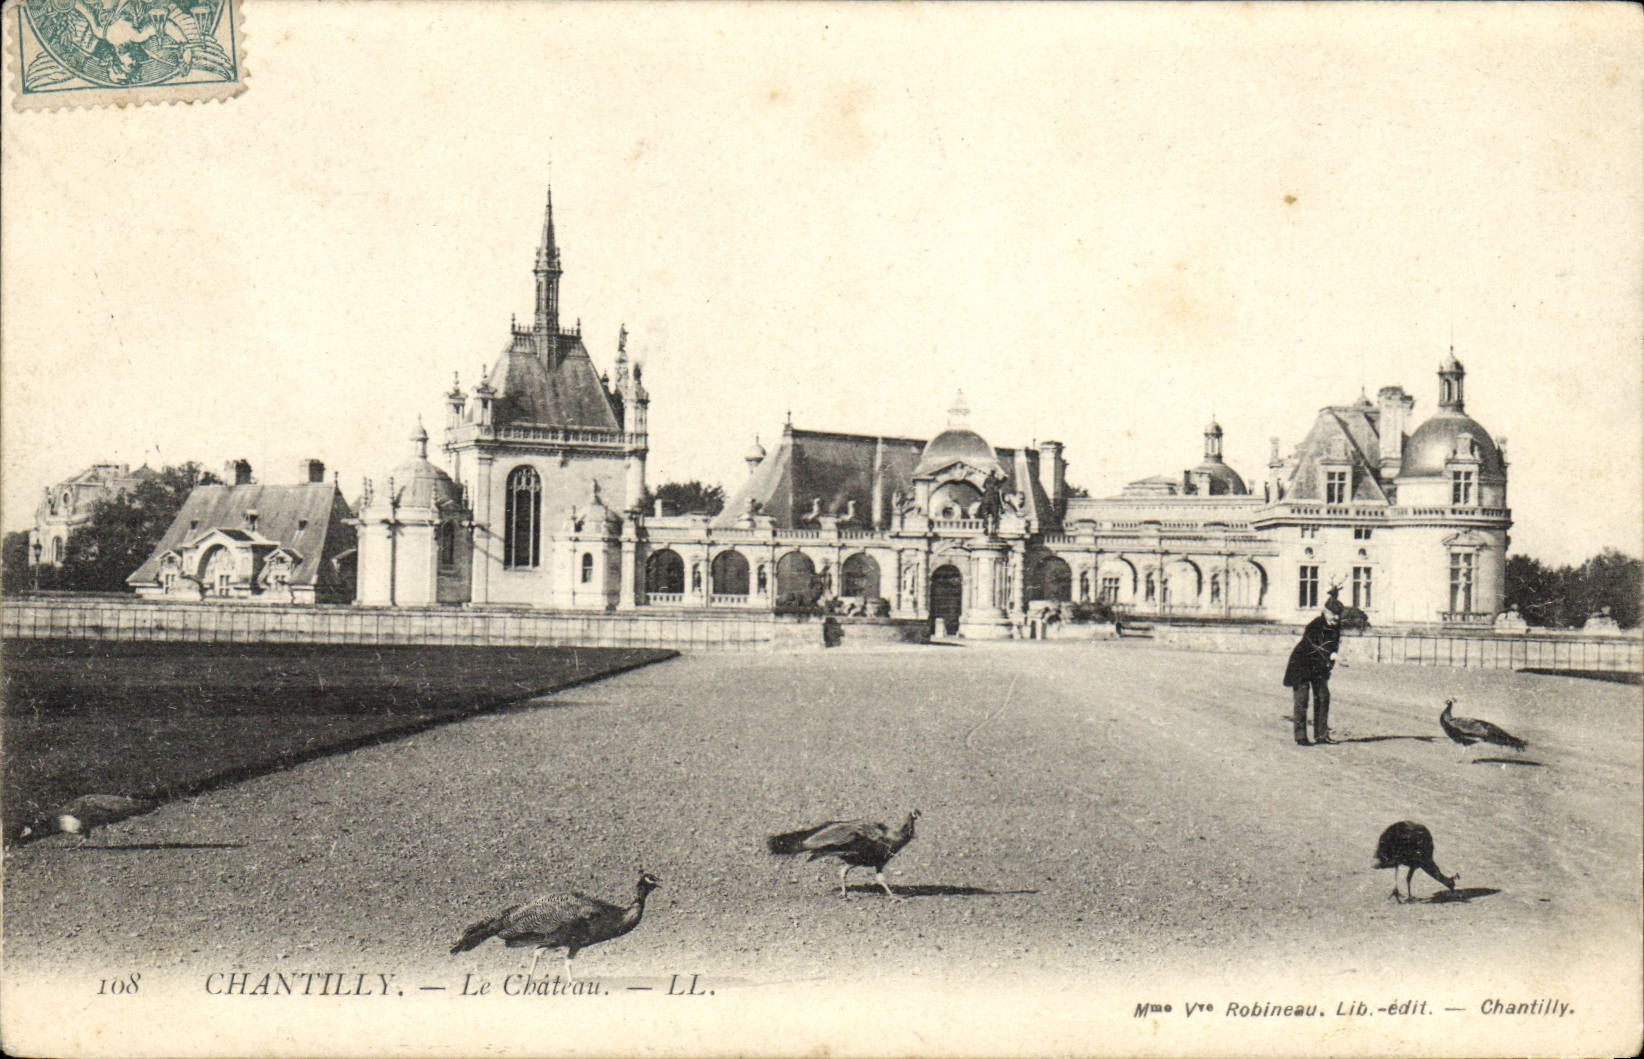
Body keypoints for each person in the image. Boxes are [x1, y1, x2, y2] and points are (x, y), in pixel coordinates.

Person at [1283, 588, 1344, 745]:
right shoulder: (1314, 626)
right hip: (1302, 665)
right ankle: (1301, 736)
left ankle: (1322, 735)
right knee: (1302, 700)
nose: (1335, 619)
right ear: (1325, 612)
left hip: (1319, 667)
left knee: (1323, 697)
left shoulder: (1336, 627)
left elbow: (1334, 645)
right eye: (1332, 615)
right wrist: (1331, 655)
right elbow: (1317, 646)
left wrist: (1331, 662)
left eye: (1338, 616)